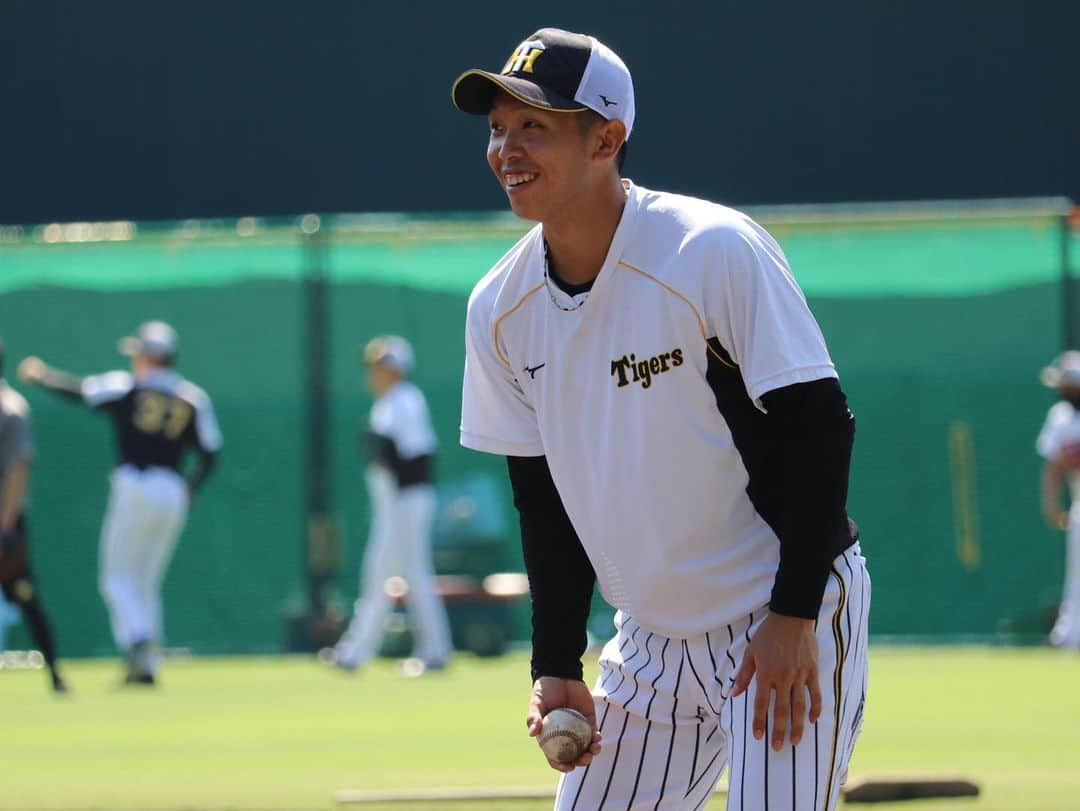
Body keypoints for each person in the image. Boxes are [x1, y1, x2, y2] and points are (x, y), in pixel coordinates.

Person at [452, 28, 870, 809]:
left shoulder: (709, 250)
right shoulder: (499, 311)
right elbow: (543, 503)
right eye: (497, 128)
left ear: (606, 138)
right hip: (648, 637)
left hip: (777, 604)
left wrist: (793, 615)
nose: (507, 148)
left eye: (534, 126)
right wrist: (555, 658)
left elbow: (822, 426)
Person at [18, 321, 221, 685]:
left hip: (136, 486)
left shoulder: (129, 387)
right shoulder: (192, 397)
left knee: (116, 578)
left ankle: (137, 641)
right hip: (172, 489)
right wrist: (191, 487)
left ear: (149, 356)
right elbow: (210, 452)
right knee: (146, 581)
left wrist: (41, 375)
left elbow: (80, 391)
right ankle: (147, 663)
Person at [323, 336, 453, 674]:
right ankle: (357, 651)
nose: (373, 372)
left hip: (405, 501)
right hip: (395, 503)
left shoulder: (405, 400)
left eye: (380, 365)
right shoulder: (390, 403)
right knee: (385, 575)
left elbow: (415, 457)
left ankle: (432, 651)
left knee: (409, 574)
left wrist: (393, 488)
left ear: (396, 368)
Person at [0, 340, 68, 693]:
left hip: (4, 523)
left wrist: (6, 527)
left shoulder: (9, 408)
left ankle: (55, 673)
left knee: (26, 596)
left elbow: (17, 468)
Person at [1037, 350, 1080, 650]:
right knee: (1076, 577)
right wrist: (1052, 506)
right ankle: (1069, 635)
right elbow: (1053, 467)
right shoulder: (1062, 417)